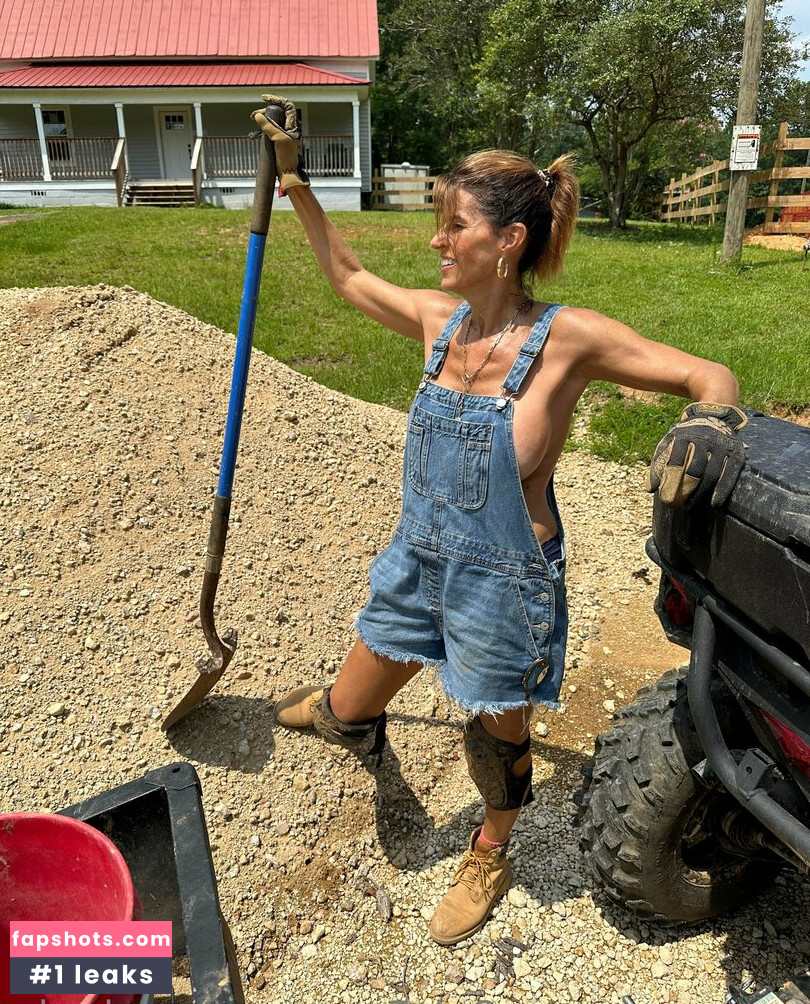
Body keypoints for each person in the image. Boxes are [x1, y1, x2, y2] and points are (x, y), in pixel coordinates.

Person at [251, 97, 748, 946]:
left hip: (504, 582)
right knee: (346, 702)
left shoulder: (568, 340)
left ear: (507, 241)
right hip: (418, 561)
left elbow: (714, 374)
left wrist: (709, 427)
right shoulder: (438, 322)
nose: (438, 242)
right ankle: (348, 720)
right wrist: (295, 179)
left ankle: (490, 848)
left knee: (495, 734)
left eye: (454, 226)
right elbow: (346, 276)